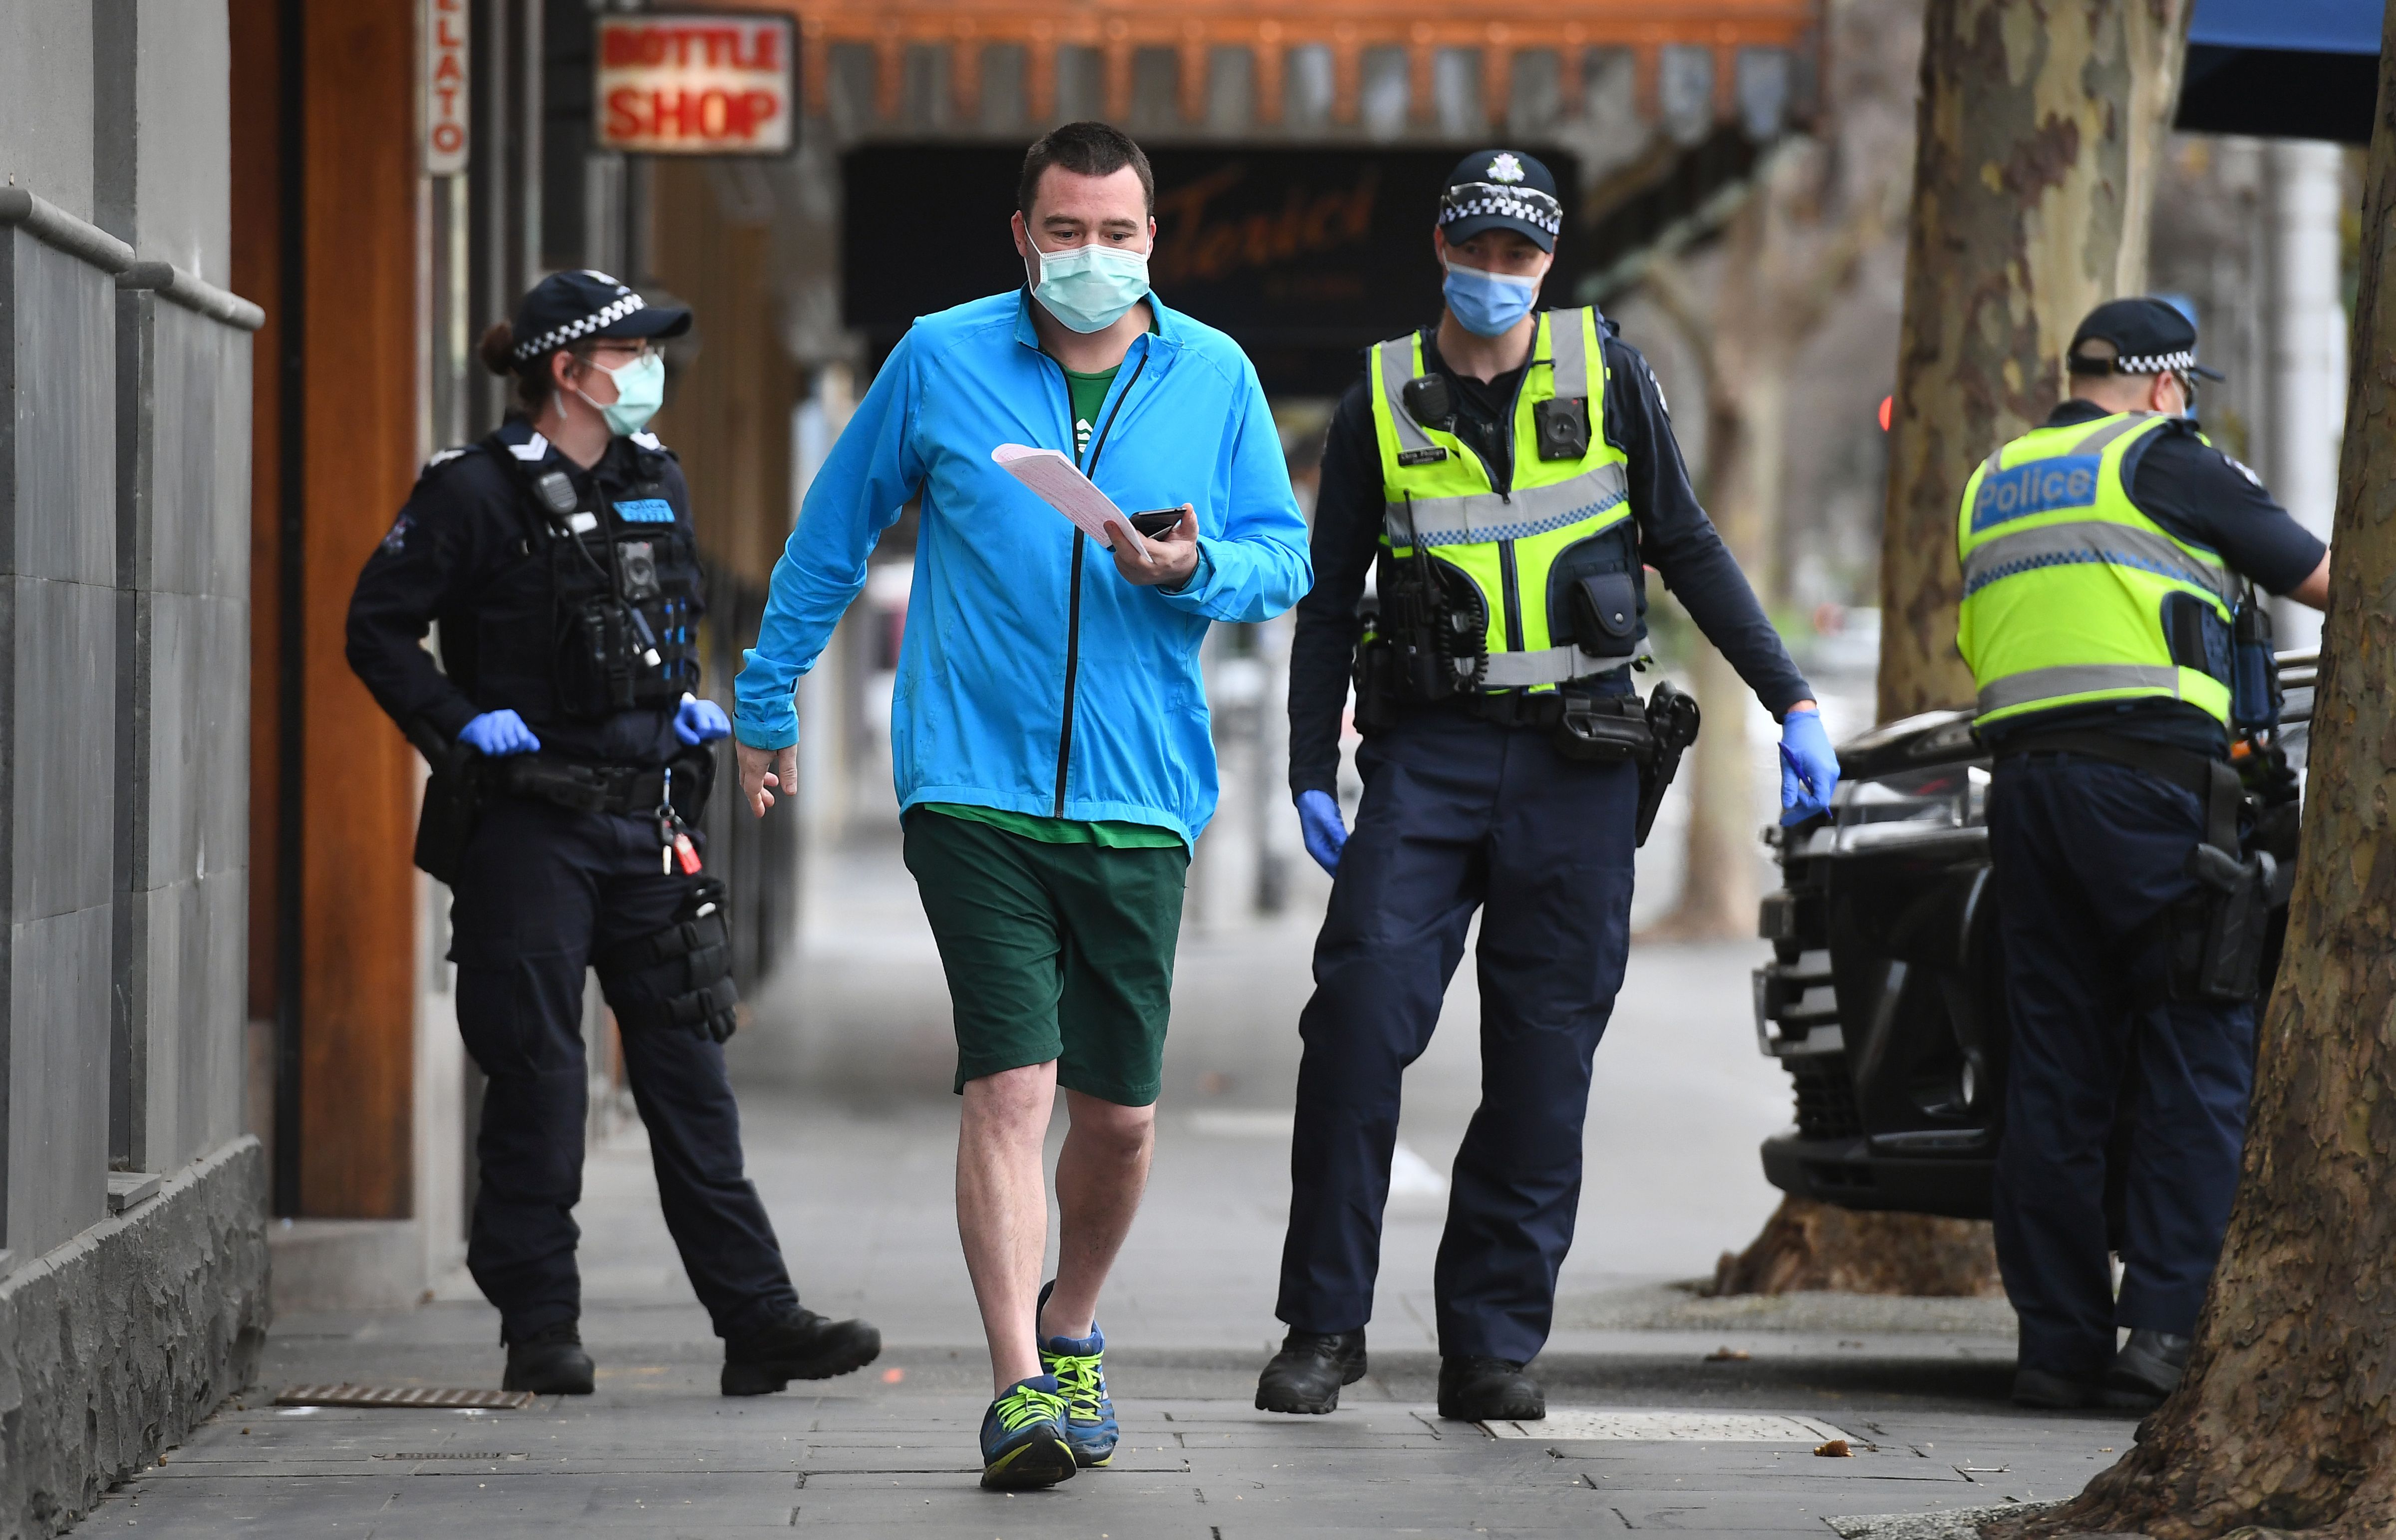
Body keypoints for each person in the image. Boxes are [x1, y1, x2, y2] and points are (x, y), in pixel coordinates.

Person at [732, 123, 1311, 1489]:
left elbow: (1283, 557)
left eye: (1118, 234)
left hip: (1140, 796)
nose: (1092, 257)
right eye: (1067, 232)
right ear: (1022, 236)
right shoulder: (939, 356)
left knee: (1117, 1114)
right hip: (972, 787)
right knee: (1012, 1083)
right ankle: (1018, 1387)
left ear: (1152, 242)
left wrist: (1195, 567)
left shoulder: (1216, 375)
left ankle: (1073, 1317)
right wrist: (768, 697)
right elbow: (833, 530)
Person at [1266, 148, 1837, 1423]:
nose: (1494, 275)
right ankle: (1324, 1325)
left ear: (1550, 258)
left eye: (1517, 256)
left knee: (1544, 1061)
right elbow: (1327, 598)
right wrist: (1308, 763)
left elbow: (1685, 543)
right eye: (1474, 250)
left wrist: (1791, 698)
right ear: (1441, 246)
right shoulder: (1379, 394)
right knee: (1356, 1022)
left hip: (1583, 759)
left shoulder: (1611, 373)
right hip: (1428, 757)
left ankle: (1490, 1345)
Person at [345, 269, 881, 1399]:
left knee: (691, 1075)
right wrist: (454, 720)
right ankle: (541, 1323)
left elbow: (659, 621)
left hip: (645, 821)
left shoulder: (659, 480)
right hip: (529, 826)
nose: (649, 370)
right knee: (539, 1076)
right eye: (630, 351)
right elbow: (378, 630)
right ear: (567, 369)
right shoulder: (473, 491)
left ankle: (759, 1319)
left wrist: (680, 700)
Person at [1956, 297, 2329, 1411]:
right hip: (2156, 791)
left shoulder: (1995, 477)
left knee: (2054, 1074)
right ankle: (2163, 1336)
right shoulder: (2166, 460)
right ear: (2168, 385)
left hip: (2024, 794)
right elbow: (2326, 579)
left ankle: (2055, 1348)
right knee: (2195, 1047)